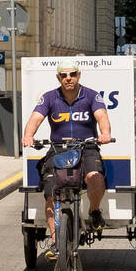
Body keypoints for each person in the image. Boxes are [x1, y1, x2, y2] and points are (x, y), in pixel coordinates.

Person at [22, 58, 112, 260]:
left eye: (72, 74)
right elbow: (35, 119)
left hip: (86, 147)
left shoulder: (91, 96)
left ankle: (95, 211)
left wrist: (105, 133)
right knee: (50, 191)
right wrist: (28, 135)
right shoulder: (50, 98)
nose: (68, 78)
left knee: (95, 176)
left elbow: (102, 117)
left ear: (79, 75)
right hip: (58, 149)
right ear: (58, 77)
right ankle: (56, 242)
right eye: (64, 75)